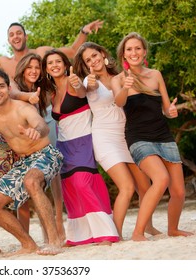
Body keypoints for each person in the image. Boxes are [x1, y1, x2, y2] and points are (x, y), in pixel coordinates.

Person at [0, 68, 63, 255]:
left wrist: (37, 131)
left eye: (1, 86)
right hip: (24, 162)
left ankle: (54, 241)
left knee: (31, 181)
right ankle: (28, 244)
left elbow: (40, 124)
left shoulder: (23, 107)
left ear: (9, 88)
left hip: (46, 154)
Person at [111, 32, 194, 241]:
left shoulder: (155, 75)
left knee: (178, 191)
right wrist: (125, 87)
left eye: (138, 48)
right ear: (124, 55)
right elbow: (119, 102)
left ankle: (173, 229)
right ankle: (138, 232)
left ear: (144, 51)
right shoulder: (118, 80)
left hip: (163, 136)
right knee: (161, 178)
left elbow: (166, 109)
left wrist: (171, 111)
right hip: (138, 138)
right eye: (129, 49)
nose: (134, 52)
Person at [41, 49, 119, 245]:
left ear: (66, 65)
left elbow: (82, 91)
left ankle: (105, 232)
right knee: (71, 188)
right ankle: (81, 235)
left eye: (58, 61)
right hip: (63, 144)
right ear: (47, 69)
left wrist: (78, 83)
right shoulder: (51, 93)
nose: (54, 65)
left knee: (83, 183)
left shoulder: (73, 82)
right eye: (50, 63)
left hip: (83, 140)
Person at [73, 42, 136, 238]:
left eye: (94, 55)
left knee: (144, 185)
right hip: (104, 139)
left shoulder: (119, 77)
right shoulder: (89, 82)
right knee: (127, 187)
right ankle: (113, 233)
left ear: (102, 53)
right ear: (85, 65)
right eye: (88, 60)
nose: (93, 60)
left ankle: (147, 226)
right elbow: (82, 91)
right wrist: (82, 83)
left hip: (126, 135)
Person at [0, 20, 103, 80]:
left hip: (47, 110)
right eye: (12, 35)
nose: (16, 36)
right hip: (19, 115)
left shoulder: (41, 53)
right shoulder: (3, 62)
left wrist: (84, 31)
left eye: (19, 33)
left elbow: (73, 51)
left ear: (25, 36)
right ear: (9, 41)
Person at [14, 53, 65, 243]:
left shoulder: (45, 87)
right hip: (25, 134)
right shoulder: (16, 86)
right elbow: (10, 94)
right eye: (29, 67)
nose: (34, 71)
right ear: (22, 69)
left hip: (48, 124)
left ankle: (58, 223)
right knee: (35, 182)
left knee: (55, 176)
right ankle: (45, 228)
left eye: (37, 67)